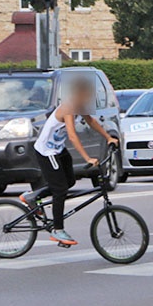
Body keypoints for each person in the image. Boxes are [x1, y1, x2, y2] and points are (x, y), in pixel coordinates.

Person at [30, 77, 118, 246]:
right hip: (46, 152)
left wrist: (108, 138)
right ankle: (58, 229)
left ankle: (33, 196)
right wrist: (87, 158)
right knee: (60, 190)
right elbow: (72, 135)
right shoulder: (69, 108)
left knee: (69, 181)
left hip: (58, 150)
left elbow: (91, 121)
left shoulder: (80, 105)